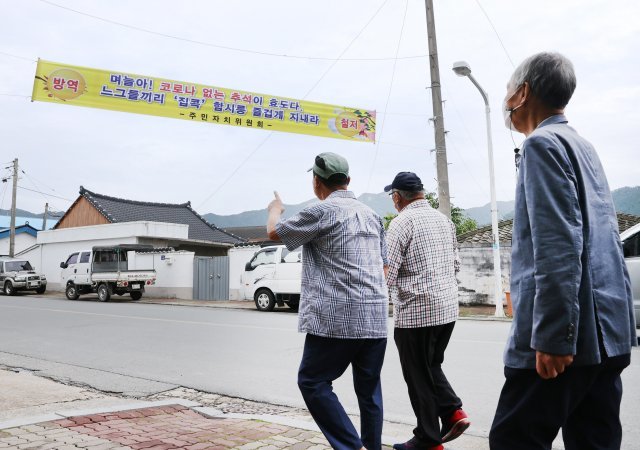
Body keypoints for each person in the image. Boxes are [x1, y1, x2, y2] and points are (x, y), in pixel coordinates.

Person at [489, 52, 637, 450]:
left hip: (569, 342)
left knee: (512, 439)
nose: (505, 100)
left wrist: (555, 337)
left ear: (522, 93)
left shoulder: (541, 145)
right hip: (606, 336)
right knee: (594, 441)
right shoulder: (582, 146)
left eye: (507, 90)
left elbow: (558, 246)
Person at [266, 152, 389, 450]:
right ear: (348, 181)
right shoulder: (372, 215)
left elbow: (273, 232)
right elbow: (383, 266)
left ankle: (351, 447)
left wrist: (275, 209)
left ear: (316, 183)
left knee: (312, 381)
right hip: (375, 315)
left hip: (337, 315)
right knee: (369, 390)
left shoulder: (321, 211)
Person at [384, 172, 470, 450]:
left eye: (392, 196)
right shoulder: (444, 220)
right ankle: (453, 412)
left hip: (415, 313)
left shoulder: (400, 223)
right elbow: (455, 264)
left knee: (417, 375)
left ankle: (428, 440)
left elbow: (389, 273)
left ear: (397, 197)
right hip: (447, 310)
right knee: (431, 365)